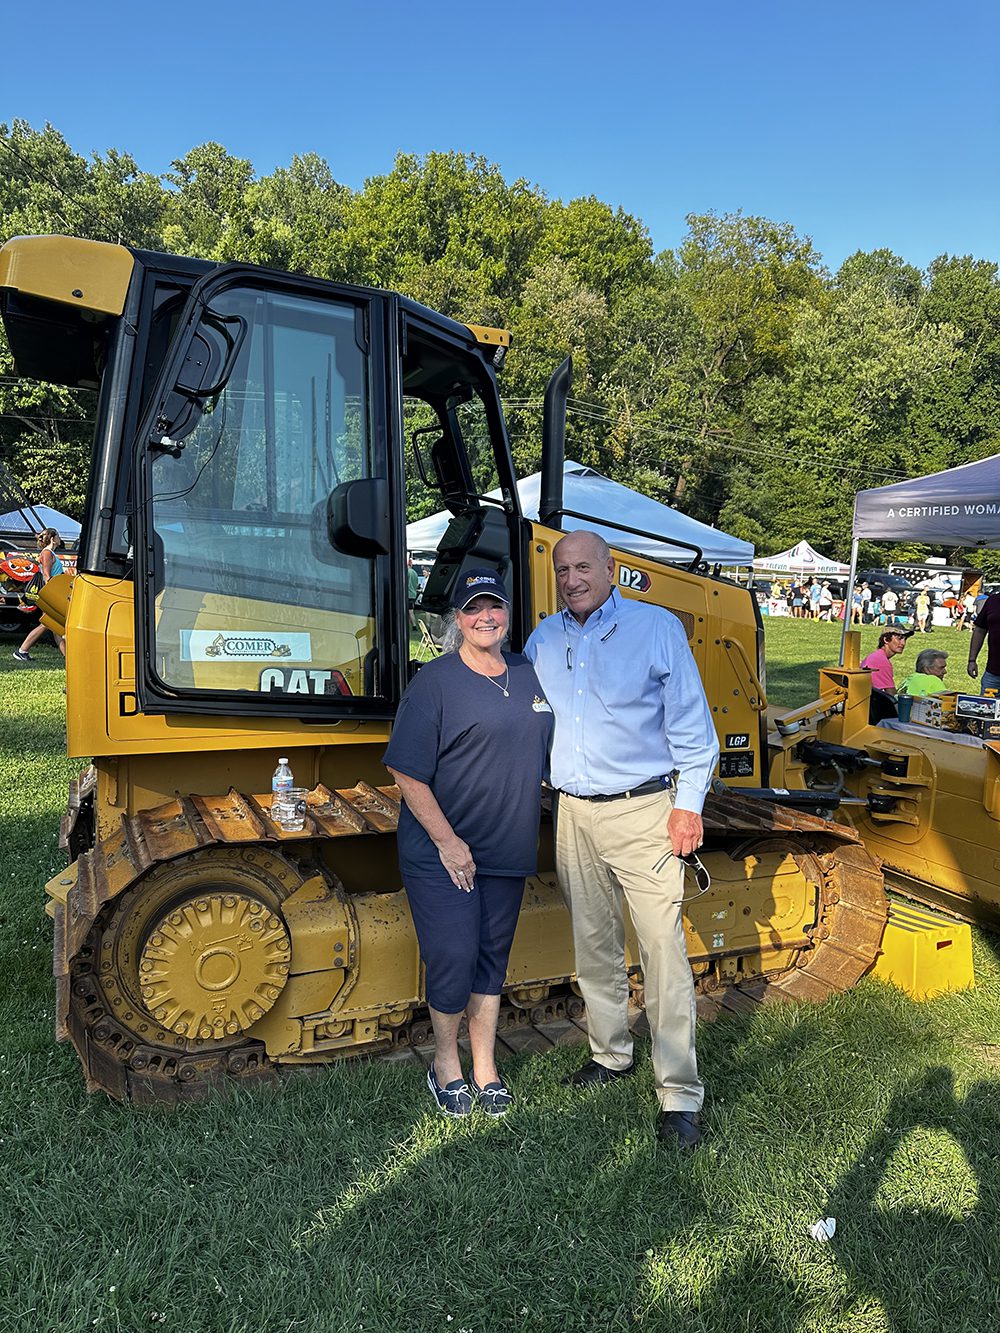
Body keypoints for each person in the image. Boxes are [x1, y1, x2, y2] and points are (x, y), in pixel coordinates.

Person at [524, 531, 719, 1150]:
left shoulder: (655, 628)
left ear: (612, 569)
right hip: (574, 812)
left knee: (662, 949)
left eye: (585, 566)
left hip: (645, 813)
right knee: (593, 943)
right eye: (563, 569)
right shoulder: (544, 638)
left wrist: (687, 808)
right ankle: (610, 1054)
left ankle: (679, 1094)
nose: (573, 578)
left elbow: (695, 728)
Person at [383, 568, 553, 1118]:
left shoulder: (528, 673)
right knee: (453, 955)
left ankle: (485, 1067)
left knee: (490, 960)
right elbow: (407, 773)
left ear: (507, 614)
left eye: (495, 607)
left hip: (506, 845)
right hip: (445, 851)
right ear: (457, 619)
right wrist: (448, 842)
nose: (486, 617)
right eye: (474, 608)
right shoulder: (436, 681)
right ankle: (445, 1065)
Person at [12, 527, 66, 663]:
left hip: (51, 592)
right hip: (49, 593)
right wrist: (52, 596)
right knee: (47, 623)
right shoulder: (47, 553)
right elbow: (47, 576)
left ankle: (68, 657)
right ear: (53, 539)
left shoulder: (50, 552)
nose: (60, 539)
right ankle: (22, 651)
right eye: (58, 536)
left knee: (54, 626)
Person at [861, 627, 913, 694]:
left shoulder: (877, 656)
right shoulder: (881, 661)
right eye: (899, 638)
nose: (903, 643)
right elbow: (891, 695)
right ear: (886, 640)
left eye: (905, 639)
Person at [967, 589, 1000, 693]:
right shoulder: (993, 600)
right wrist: (972, 660)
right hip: (993, 672)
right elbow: (980, 630)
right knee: (986, 707)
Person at [406, 557, 419, 628]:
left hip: (408, 594)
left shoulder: (407, 572)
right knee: (409, 610)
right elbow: (417, 584)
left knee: (410, 611)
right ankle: (408, 625)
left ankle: (414, 625)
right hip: (414, 594)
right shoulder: (415, 572)